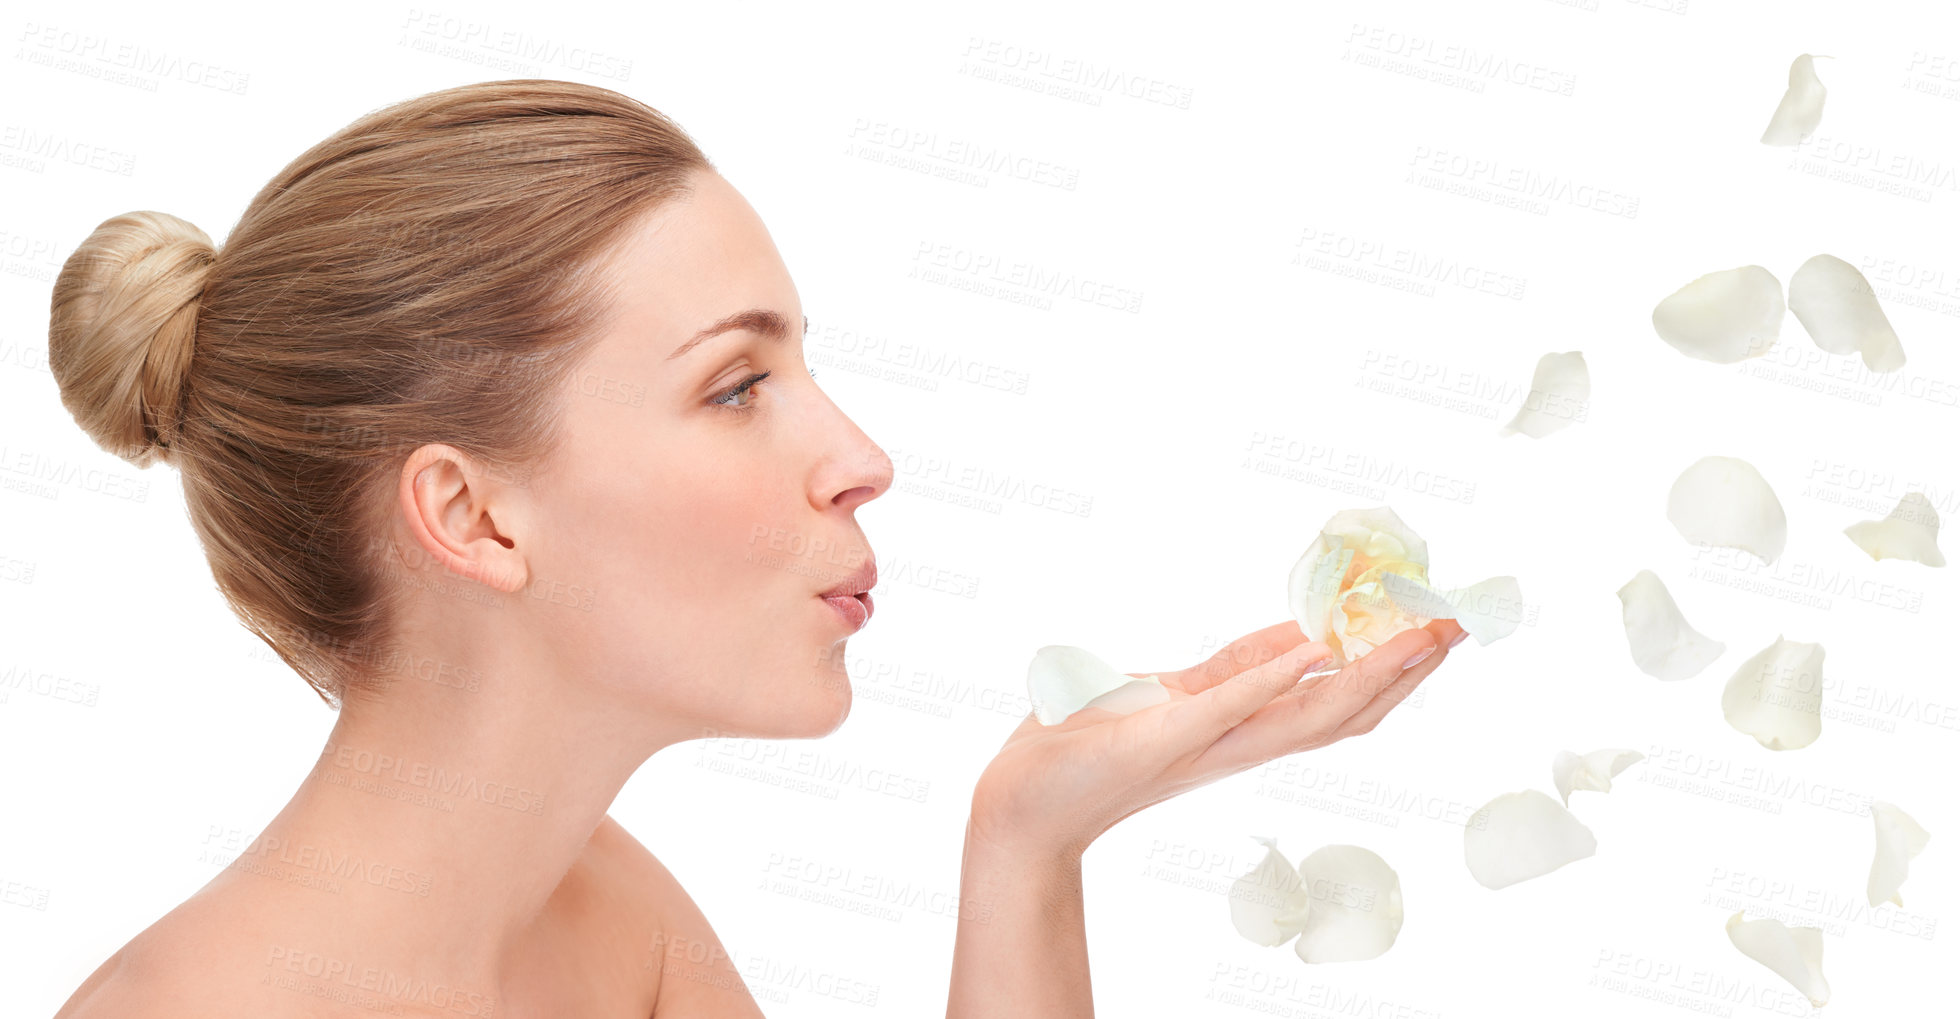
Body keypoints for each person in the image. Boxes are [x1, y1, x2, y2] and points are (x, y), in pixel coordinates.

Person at [43, 78, 1463, 1018]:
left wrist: (1028, 844)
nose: (859, 459)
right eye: (736, 387)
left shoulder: (613, 922)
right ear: (472, 518)